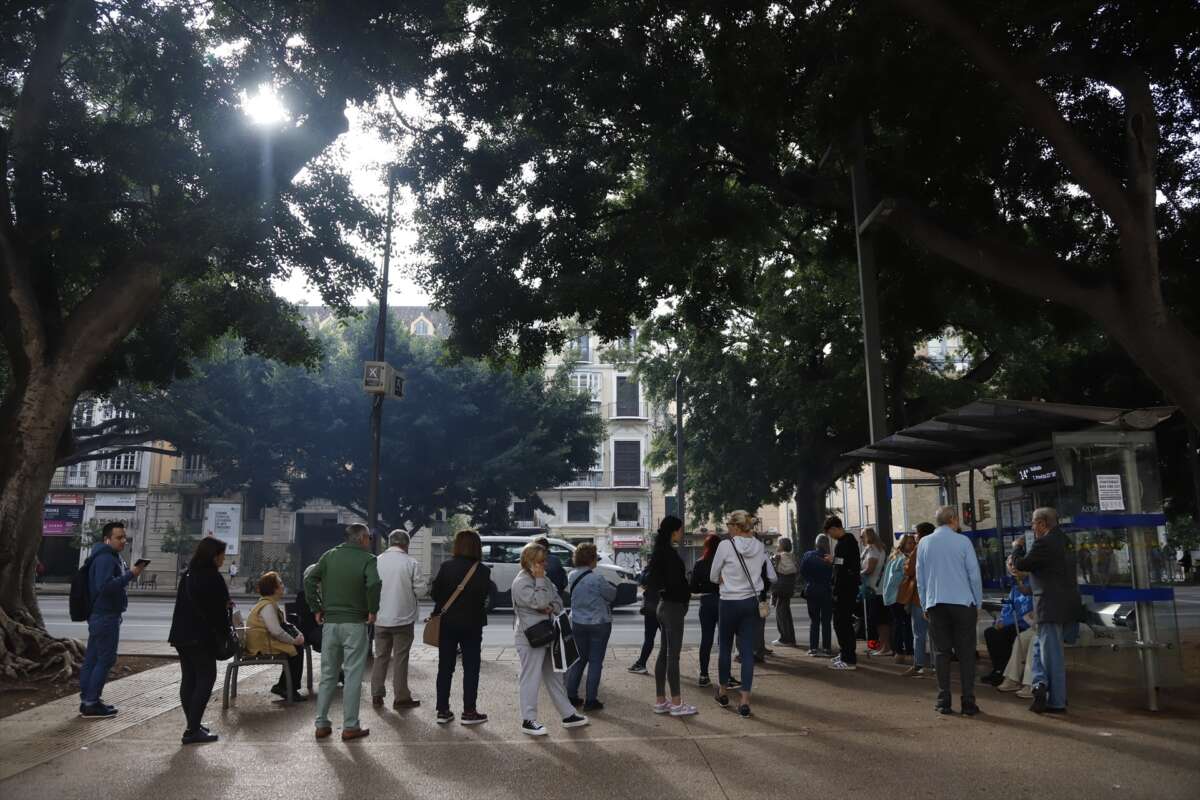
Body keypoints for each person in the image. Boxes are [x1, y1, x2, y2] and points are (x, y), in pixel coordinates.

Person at [304, 522, 381, 741]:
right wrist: (372, 610)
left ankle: (321, 723)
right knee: (353, 674)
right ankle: (350, 726)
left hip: (331, 623)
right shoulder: (368, 560)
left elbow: (310, 579)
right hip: (355, 622)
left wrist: (316, 607)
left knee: (328, 674)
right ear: (363, 538)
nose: (370, 542)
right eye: (369, 538)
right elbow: (374, 584)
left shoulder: (329, 556)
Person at [512, 542, 589, 735]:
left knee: (554, 677)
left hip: (547, 635)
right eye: (541, 561)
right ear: (530, 561)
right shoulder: (521, 582)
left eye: (544, 560)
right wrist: (540, 589)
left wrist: (547, 605)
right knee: (530, 678)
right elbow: (540, 601)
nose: (545, 564)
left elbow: (557, 601)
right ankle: (528, 720)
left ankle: (568, 714)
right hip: (530, 637)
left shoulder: (543, 578)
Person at [1011, 507, 1080, 715]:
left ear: (1042, 523)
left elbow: (1022, 564)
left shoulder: (1044, 543)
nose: (1032, 527)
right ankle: (1039, 684)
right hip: (1067, 603)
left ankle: (1056, 702)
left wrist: (1016, 548)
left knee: (1051, 654)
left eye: (1033, 523)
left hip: (1049, 605)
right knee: (1041, 648)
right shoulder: (1065, 541)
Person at [916, 506, 983, 716]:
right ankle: (968, 702)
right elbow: (974, 575)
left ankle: (943, 700)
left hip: (936, 604)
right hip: (963, 603)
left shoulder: (924, 543)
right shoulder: (963, 542)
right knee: (966, 654)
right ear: (953, 519)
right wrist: (977, 602)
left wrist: (925, 603)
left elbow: (921, 578)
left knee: (941, 653)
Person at [710, 510, 776, 718]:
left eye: (729, 525)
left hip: (728, 602)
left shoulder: (725, 545)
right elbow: (772, 576)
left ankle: (722, 692)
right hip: (751, 603)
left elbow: (712, 575)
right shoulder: (759, 546)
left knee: (725, 649)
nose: (728, 529)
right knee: (747, 652)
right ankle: (745, 701)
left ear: (736, 527)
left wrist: (723, 579)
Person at [167, 536, 229, 744]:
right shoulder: (212, 577)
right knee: (206, 678)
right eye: (222, 555)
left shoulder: (189, 575)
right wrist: (226, 634)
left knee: (189, 679)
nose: (223, 559)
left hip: (181, 636)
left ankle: (192, 724)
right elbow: (218, 613)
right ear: (214, 556)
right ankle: (192, 730)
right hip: (201, 637)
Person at [79, 521, 144, 718]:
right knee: (105, 659)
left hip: (100, 615)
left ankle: (88, 700)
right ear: (107, 539)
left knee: (92, 659)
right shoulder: (106, 558)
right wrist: (131, 574)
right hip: (106, 616)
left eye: (124, 537)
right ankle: (91, 703)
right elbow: (106, 587)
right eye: (119, 537)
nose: (123, 541)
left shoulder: (104, 556)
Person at [430, 529, 492, 725]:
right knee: (471, 668)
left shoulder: (446, 566)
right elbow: (484, 596)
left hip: (447, 623)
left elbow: (435, 593)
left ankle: (442, 710)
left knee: (445, 667)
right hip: (473, 624)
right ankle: (469, 711)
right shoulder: (482, 570)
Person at [646, 515, 697, 716]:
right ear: (674, 531)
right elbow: (677, 584)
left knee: (664, 653)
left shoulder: (659, 552)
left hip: (662, 606)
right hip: (674, 607)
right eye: (680, 529)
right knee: (672, 656)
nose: (682, 533)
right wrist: (687, 593)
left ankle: (661, 700)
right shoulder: (670, 554)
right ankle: (676, 703)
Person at [372, 529, 426, 710]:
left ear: (389, 543)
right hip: (403, 618)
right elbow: (421, 591)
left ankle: (377, 694)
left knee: (381, 657)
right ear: (406, 544)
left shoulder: (376, 561)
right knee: (400, 658)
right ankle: (401, 697)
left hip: (380, 617)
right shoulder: (411, 562)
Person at [565, 543, 616, 711]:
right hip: (599, 624)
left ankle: (571, 695)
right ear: (591, 559)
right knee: (595, 661)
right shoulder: (598, 578)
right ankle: (591, 700)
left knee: (579, 660)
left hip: (577, 622)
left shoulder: (571, 575)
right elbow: (611, 595)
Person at [244, 570, 307, 702]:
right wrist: (294, 641)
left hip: (263, 641)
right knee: (296, 649)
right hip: (262, 645)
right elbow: (276, 631)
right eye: (280, 583)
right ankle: (289, 689)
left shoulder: (267, 603)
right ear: (273, 588)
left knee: (294, 649)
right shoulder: (267, 606)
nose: (283, 585)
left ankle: (283, 686)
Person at [980, 573, 1033, 686]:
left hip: (1023, 625)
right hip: (1010, 624)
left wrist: (1006, 622)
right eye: (1010, 564)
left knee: (1003, 634)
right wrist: (1000, 620)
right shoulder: (1015, 588)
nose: (1013, 568)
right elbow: (1008, 607)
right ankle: (999, 668)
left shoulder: (1031, 586)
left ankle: (1003, 670)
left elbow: (1026, 612)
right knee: (990, 632)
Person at [899, 522, 935, 677]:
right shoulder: (937, 547)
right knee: (935, 634)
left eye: (915, 533)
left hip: (919, 597)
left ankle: (918, 665)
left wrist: (906, 565)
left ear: (921, 534)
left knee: (919, 633)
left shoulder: (919, 548)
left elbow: (909, 569)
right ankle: (935, 665)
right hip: (936, 596)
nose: (914, 536)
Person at [825, 516, 861, 671]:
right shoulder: (848, 541)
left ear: (834, 528)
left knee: (842, 623)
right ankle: (845, 653)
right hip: (847, 588)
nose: (830, 537)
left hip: (844, 589)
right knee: (842, 623)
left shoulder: (845, 543)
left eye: (830, 533)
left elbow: (845, 564)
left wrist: (833, 560)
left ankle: (848, 657)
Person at [690, 533, 723, 684]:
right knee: (724, 640)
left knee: (706, 640)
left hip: (706, 602)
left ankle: (704, 674)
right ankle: (725, 676)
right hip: (724, 601)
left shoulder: (700, 562)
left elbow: (694, 588)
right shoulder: (725, 563)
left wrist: (704, 586)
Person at [880, 534, 915, 664]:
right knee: (905, 624)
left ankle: (898, 651)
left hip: (891, 596)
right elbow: (906, 578)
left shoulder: (894, 557)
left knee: (898, 624)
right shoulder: (905, 559)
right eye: (910, 543)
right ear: (903, 545)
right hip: (900, 596)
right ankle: (908, 652)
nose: (912, 545)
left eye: (913, 543)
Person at [800, 534, 834, 657]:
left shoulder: (808, 555)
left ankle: (813, 648)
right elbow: (834, 574)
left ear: (816, 543)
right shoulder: (830, 558)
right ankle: (827, 648)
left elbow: (802, 571)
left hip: (812, 589)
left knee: (814, 620)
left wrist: (809, 580)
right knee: (826, 621)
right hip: (826, 590)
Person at [860, 527, 892, 656]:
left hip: (875, 589)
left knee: (880, 621)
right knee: (881, 620)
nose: (861, 539)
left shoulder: (872, 550)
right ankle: (884, 646)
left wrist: (858, 573)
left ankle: (885, 647)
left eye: (862, 536)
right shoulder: (880, 549)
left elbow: (870, 569)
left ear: (868, 537)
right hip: (880, 588)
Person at [627, 563, 660, 674]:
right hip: (668, 606)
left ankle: (641, 663)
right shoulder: (672, 563)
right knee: (669, 639)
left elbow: (642, 580)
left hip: (652, 606)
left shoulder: (653, 565)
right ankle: (672, 664)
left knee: (649, 637)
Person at [771, 538, 798, 647]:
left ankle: (785, 639)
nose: (777, 545)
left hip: (782, 589)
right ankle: (789, 638)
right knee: (785, 614)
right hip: (787, 589)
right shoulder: (791, 556)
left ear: (783, 546)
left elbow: (785, 570)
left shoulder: (783, 557)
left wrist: (776, 563)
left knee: (781, 615)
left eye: (779, 543)